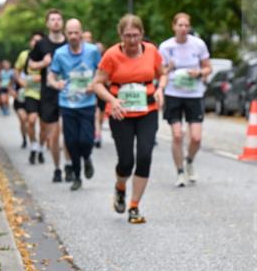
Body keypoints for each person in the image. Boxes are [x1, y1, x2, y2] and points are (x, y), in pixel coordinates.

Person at [93, 14, 166, 224]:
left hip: (148, 111)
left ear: (142, 34)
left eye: (135, 35)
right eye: (127, 36)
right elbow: (97, 83)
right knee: (126, 161)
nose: (132, 41)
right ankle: (120, 186)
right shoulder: (111, 55)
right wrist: (112, 100)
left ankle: (134, 206)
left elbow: (162, 73)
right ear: (120, 36)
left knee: (144, 155)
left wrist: (161, 89)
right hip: (121, 114)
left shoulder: (151, 51)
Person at [48, 19, 102, 191]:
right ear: (65, 34)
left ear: (81, 33)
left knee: (86, 140)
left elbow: (101, 72)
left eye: (76, 33)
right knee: (71, 142)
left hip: (87, 103)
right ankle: (77, 177)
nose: (73, 36)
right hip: (67, 103)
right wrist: (56, 84)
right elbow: (51, 75)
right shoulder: (60, 53)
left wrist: (94, 84)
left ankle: (87, 158)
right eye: (69, 33)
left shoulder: (92, 51)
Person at [159, 12, 212, 186]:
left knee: (196, 138)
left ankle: (189, 161)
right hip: (173, 94)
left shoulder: (198, 45)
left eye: (186, 25)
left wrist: (199, 73)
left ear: (189, 27)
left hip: (194, 94)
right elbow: (160, 72)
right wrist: (169, 67)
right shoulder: (166, 47)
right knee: (177, 135)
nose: (183, 29)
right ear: (173, 26)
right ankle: (180, 171)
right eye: (180, 25)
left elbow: (208, 68)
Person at [27, 10, 69, 182]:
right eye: (52, 20)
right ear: (47, 23)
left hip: (68, 92)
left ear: (63, 22)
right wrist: (42, 63)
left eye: (59, 19)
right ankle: (58, 168)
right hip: (49, 93)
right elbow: (30, 63)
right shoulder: (42, 44)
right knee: (53, 134)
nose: (56, 22)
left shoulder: (69, 42)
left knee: (68, 132)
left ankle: (69, 164)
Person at [16, 32, 43, 160]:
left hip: (45, 93)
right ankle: (33, 144)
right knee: (31, 120)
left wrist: (41, 77)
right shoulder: (24, 55)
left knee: (45, 125)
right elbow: (16, 71)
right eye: (34, 40)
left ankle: (41, 146)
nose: (36, 43)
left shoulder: (48, 56)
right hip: (30, 93)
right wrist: (21, 82)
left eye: (39, 41)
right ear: (30, 42)